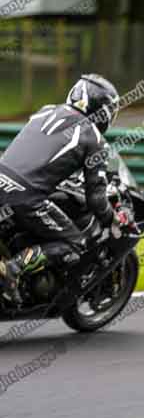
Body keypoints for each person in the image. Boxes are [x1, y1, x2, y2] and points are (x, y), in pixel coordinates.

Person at [0, 74, 126, 304]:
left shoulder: (45, 111)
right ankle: (13, 269)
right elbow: (96, 199)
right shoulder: (94, 139)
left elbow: (39, 154)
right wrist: (112, 220)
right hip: (26, 197)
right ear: (103, 109)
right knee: (74, 244)